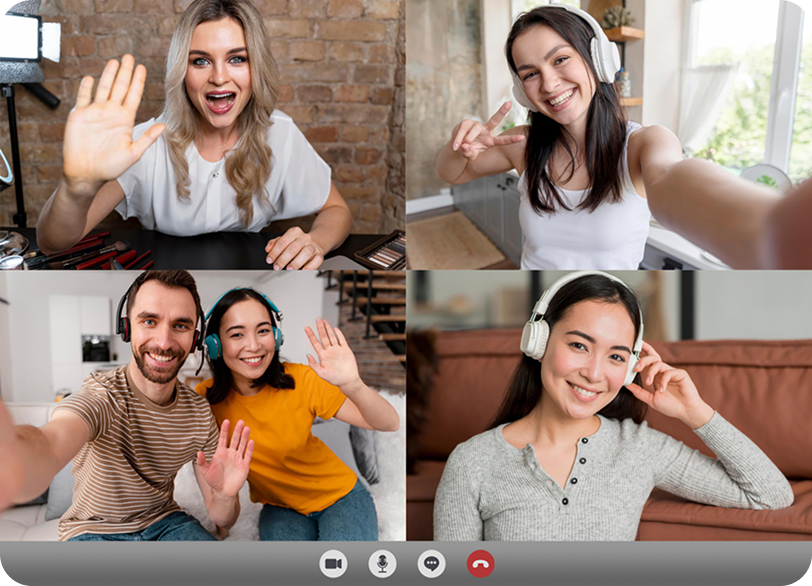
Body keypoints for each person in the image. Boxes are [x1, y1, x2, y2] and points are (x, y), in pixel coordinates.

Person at [434, 5, 802, 270]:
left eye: (560, 59)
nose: (548, 83)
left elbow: (673, 179)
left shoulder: (644, 144)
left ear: (599, 59)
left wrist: (769, 227)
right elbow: (452, 173)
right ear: (520, 90)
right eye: (530, 74)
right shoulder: (523, 144)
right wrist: (461, 143)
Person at [433, 271, 794, 541]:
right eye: (578, 345)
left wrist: (694, 412)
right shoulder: (472, 462)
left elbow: (769, 496)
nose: (593, 373)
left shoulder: (639, 448)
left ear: (629, 368)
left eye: (616, 356)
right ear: (538, 341)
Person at [36, 0, 352, 270]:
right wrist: (76, 187)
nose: (218, 77)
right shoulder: (144, 142)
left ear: (257, 68)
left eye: (237, 59)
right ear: (181, 72)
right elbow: (53, 243)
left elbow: (337, 210)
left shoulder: (280, 133)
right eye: (200, 61)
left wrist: (315, 242)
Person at [0, 271, 254, 541]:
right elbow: (50, 444)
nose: (164, 342)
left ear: (195, 338)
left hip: (166, 523)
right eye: (149, 321)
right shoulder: (101, 395)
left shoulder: (199, 413)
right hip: (93, 531)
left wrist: (225, 496)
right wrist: (15, 453)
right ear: (127, 327)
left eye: (180, 325)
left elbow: (222, 518)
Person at [195, 288, 399, 540]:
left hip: (341, 496)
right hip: (281, 507)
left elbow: (390, 422)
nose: (254, 345)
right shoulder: (203, 401)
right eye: (237, 334)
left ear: (276, 336)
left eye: (263, 330)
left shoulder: (302, 379)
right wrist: (223, 511)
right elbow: (220, 511)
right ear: (214, 345)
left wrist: (353, 384)